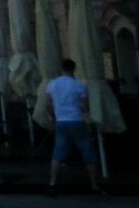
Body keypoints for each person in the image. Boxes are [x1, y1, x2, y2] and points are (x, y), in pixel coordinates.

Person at [41, 57, 103, 197]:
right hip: (76, 120)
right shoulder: (78, 86)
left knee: (57, 154)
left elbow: (47, 104)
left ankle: (52, 183)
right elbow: (84, 106)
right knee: (88, 152)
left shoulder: (52, 84)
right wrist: (82, 109)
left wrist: (53, 116)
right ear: (73, 69)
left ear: (61, 69)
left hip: (61, 122)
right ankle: (94, 185)